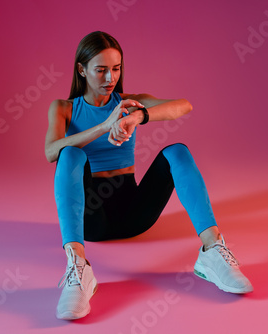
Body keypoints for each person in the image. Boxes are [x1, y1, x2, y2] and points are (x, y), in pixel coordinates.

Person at [45, 31, 253, 320]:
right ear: (82, 70)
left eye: (116, 69)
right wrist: (105, 126)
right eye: (101, 70)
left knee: (177, 151)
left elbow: (184, 106)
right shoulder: (64, 108)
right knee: (69, 154)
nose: (110, 78)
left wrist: (137, 116)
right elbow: (50, 151)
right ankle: (78, 269)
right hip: (91, 219)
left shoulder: (130, 102)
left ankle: (212, 250)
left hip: (135, 215)